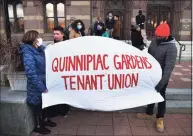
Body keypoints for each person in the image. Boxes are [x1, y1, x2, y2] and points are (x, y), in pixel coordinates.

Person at [136, 23, 177, 133]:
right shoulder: (154, 42)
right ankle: (149, 113)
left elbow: (168, 68)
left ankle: (160, 118)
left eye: (159, 37)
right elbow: (149, 56)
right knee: (150, 93)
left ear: (166, 36)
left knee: (160, 96)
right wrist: (143, 50)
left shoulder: (171, 48)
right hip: (152, 75)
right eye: (156, 36)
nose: (157, 38)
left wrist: (161, 83)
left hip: (162, 77)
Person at [19, 30, 57, 135]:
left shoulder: (37, 49)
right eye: (38, 37)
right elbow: (31, 74)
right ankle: (38, 126)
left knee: (45, 104)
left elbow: (47, 52)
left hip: (44, 81)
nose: (40, 38)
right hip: (36, 85)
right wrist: (41, 87)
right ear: (33, 39)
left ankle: (45, 121)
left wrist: (40, 46)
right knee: (37, 106)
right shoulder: (27, 53)